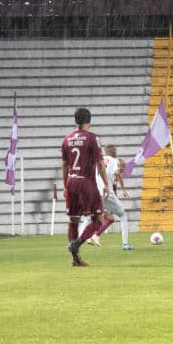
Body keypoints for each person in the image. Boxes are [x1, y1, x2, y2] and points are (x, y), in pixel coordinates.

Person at [61, 107, 111, 267]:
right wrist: (106, 184)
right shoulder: (92, 138)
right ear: (89, 121)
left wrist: (64, 186)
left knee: (73, 220)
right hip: (86, 182)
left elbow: (64, 165)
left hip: (70, 181)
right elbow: (100, 164)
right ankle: (78, 243)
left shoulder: (67, 139)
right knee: (98, 219)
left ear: (76, 121)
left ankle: (75, 260)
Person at [85, 144, 136, 250]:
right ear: (112, 151)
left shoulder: (99, 160)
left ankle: (92, 236)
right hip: (106, 192)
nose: (116, 151)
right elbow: (117, 173)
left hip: (95, 192)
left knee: (103, 217)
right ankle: (125, 244)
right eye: (115, 150)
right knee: (122, 215)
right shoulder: (114, 161)